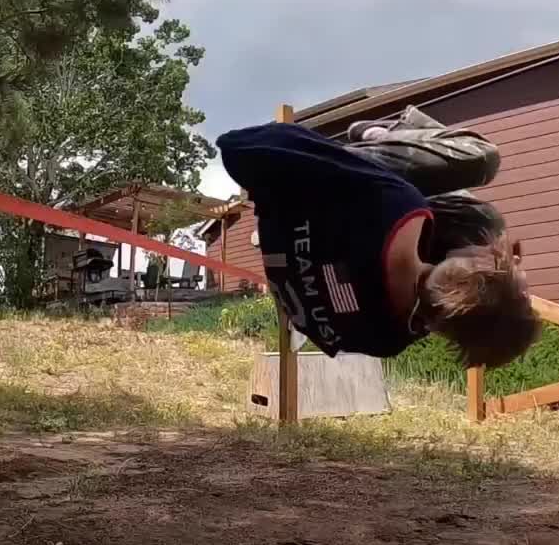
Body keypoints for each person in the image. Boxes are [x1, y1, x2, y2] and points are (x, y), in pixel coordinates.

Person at [216, 109, 538, 368]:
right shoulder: (388, 340)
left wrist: (328, 160)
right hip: (288, 262)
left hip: (346, 200)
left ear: (476, 264)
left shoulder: (394, 202)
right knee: (486, 221)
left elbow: (234, 145)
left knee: (484, 159)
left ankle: (381, 134)